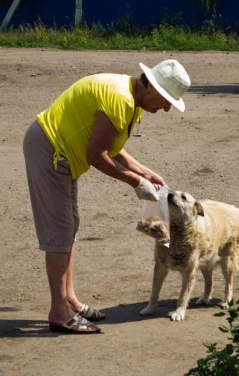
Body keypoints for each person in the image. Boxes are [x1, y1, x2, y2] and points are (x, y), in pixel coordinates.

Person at [22, 59, 191, 334]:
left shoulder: (133, 98)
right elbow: (96, 155)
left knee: (70, 226)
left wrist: (145, 172)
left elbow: (113, 147)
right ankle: (59, 312)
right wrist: (135, 182)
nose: (168, 107)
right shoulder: (121, 99)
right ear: (151, 87)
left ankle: (70, 299)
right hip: (49, 150)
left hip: (61, 153)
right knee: (59, 231)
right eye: (167, 99)